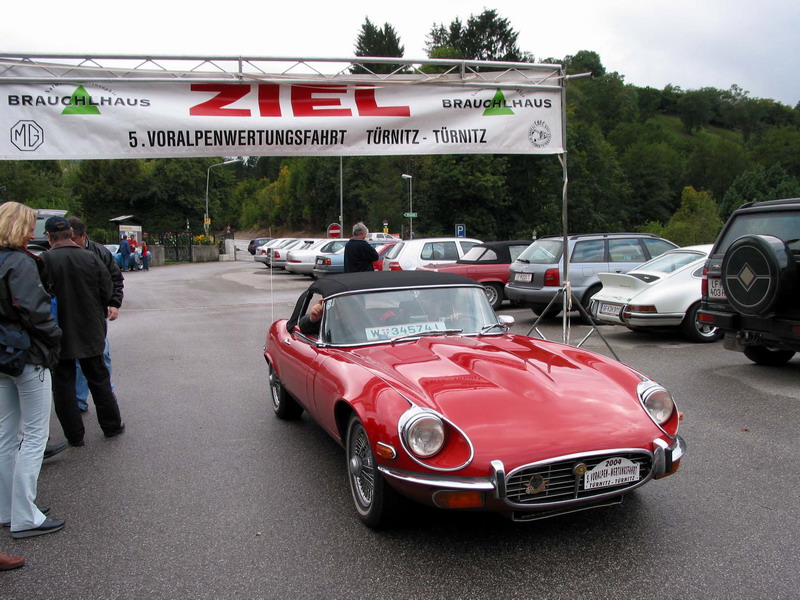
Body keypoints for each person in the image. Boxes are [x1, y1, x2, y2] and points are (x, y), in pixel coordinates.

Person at [0, 202, 65, 539]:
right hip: (27, 354)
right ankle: (25, 514)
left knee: (6, 434)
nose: (31, 233)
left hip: (2, 356)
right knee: (35, 435)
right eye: (28, 226)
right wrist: (54, 337)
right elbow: (35, 310)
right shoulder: (21, 262)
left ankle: (7, 508)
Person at [42, 216, 125, 447]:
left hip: (58, 330)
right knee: (99, 379)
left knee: (63, 385)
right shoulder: (90, 257)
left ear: (49, 236)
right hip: (90, 328)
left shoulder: (44, 261)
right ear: (71, 234)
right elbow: (107, 289)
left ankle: (74, 435)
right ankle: (111, 426)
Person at [68, 217, 124, 413]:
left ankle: (106, 393)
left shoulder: (99, 252)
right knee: (77, 358)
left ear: (83, 236)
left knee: (102, 353)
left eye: (73, 238)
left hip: (95, 312)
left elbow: (116, 278)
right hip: (71, 313)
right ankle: (79, 399)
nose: (69, 242)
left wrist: (114, 303)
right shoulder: (60, 253)